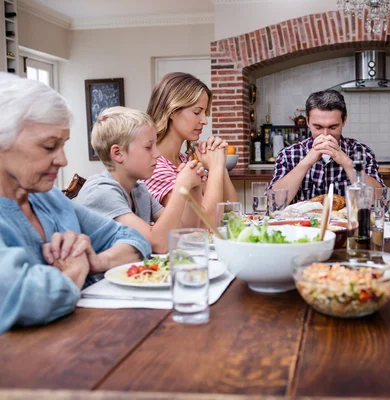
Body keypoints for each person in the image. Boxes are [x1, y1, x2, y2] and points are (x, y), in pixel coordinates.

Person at [0, 73, 151, 333]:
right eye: (49, 146)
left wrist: (97, 261)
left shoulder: (49, 198)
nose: (63, 160)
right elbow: (22, 297)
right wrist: (75, 270)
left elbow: (134, 238)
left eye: (63, 145)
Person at [76, 107, 205, 254]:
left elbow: (183, 233)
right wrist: (182, 186)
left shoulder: (139, 190)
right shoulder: (101, 192)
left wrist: (195, 187)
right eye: (148, 147)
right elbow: (159, 244)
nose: (157, 153)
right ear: (118, 154)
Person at [145, 72, 238, 227]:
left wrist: (220, 165)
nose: (204, 121)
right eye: (197, 112)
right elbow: (204, 225)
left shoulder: (184, 160)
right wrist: (214, 168)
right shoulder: (154, 167)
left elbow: (232, 211)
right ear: (172, 111)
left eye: (205, 113)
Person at [268, 89, 384, 204]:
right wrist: (306, 162)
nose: (325, 134)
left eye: (333, 127)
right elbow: (274, 202)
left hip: (348, 222)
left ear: (344, 121)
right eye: (318, 127)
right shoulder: (289, 154)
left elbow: (378, 200)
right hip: (303, 222)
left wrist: (347, 163)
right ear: (307, 121)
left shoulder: (362, 152)